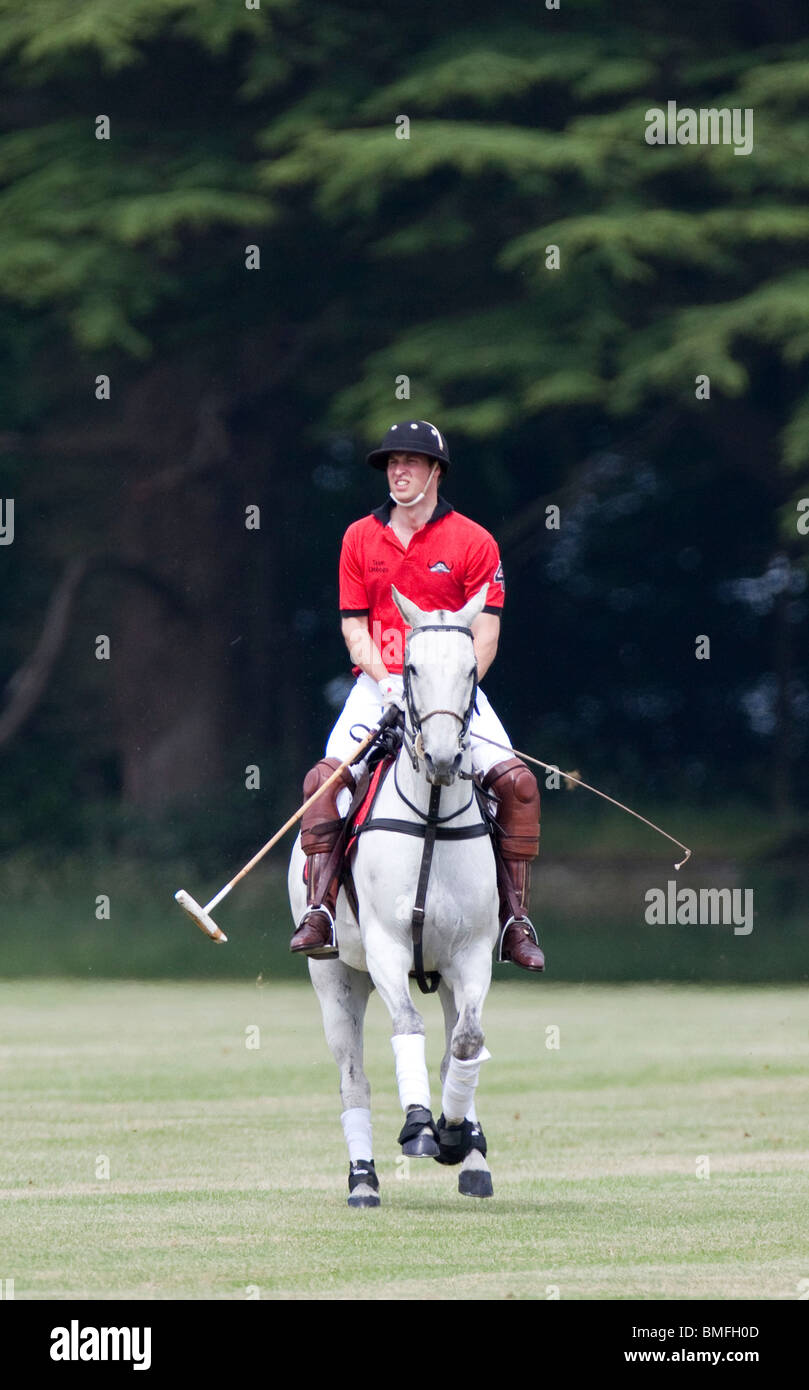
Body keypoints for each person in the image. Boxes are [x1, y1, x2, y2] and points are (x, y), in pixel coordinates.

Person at [290, 419, 545, 972]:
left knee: (519, 787)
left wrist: (447, 695)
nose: (398, 471)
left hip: (452, 697)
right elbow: (354, 629)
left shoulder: (474, 542)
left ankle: (514, 919)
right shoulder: (360, 537)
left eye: (410, 462)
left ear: (435, 471)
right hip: (377, 686)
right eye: (391, 463)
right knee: (324, 783)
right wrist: (387, 682)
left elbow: (488, 636)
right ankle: (321, 911)